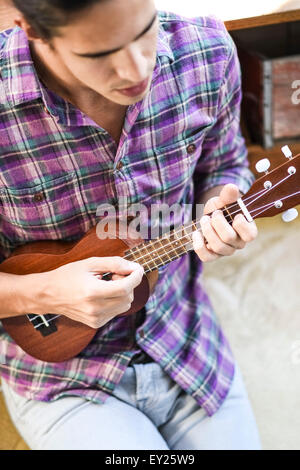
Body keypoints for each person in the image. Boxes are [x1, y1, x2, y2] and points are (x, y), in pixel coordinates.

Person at [0, 0, 261, 450]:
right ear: (30, 29)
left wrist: (220, 202)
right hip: (58, 372)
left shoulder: (207, 51)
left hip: (184, 339)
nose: (137, 68)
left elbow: (227, 164)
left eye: (145, 30)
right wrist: (45, 292)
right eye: (100, 53)